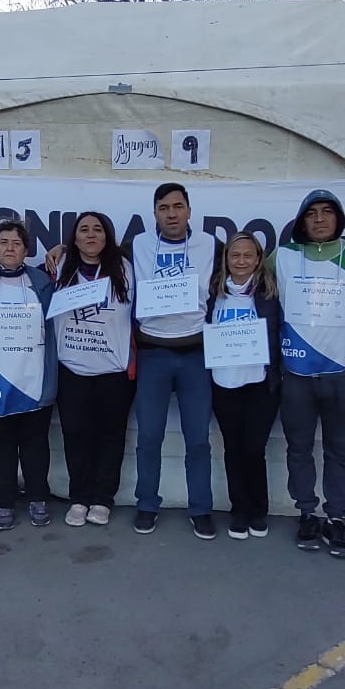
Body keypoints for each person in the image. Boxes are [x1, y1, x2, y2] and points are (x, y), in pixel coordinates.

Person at [273, 189, 345, 559]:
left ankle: (336, 517)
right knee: (299, 448)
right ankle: (307, 512)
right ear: (301, 221)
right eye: (312, 213)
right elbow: (249, 288)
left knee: (340, 451)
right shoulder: (283, 256)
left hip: (344, 372)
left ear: (339, 219)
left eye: (327, 212)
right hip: (297, 373)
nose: (319, 219)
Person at [131, 183, 218, 539]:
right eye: (163, 207)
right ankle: (146, 503)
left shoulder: (210, 244)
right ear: (154, 213)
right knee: (149, 436)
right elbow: (97, 252)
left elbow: (249, 261)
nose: (171, 213)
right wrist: (61, 248)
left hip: (196, 354)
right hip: (153, 353)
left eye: (178, 206)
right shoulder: (138, 244)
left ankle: (201, 508)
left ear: (189, 211)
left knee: (198, 438)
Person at [0, 219, 58, 530]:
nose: (9, 248)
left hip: (33, 380)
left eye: (16, 243)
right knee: (0, 447)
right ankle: (4, 501)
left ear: (26, 249)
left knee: (35, 445)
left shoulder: (41, 283)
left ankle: (37, 497)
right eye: (3, 242)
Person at [51, 212, 135, 527]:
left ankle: (103, 499)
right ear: (73, 238)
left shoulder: (126, 269)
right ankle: (79, 497)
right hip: (72, 370)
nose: (90, 235)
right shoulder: (57, 267)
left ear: (107, 236)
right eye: (83, 230)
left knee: (111, 437)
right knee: (75, 435)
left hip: (113, 372)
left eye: (97, 229)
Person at [206, 232, 282, 540]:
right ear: (226, 259)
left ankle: (257, 510)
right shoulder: (213, 292)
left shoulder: (270, 292)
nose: (241, 261)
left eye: (247, 255)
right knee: (232, 449)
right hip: (224, 382)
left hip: (260, 384)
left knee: (254, 449)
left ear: (258, 259)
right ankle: (238, 510)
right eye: (234, 255)